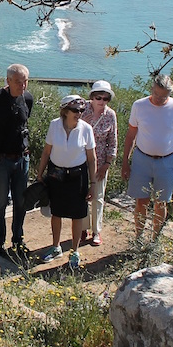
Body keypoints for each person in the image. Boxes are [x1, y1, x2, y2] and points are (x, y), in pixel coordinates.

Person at [121, 73, 173, 241]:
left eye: (163, 96)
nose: (159, 99)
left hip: (167, 161)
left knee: (161, 202)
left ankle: (154, 241)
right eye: (157, 94)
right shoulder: (139, 106)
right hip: (141, 159)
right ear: (152, 89)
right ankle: (138, 237)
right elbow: (131, 135)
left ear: (170, 94)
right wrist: (125, 162)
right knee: (141, 201)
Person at [37, 95, 97, 270]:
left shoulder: (86, 129)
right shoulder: (54, 125)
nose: (79, 114)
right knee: (56, 212)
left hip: (77, 176)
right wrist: (40, 174)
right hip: (56, 174)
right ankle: (56, 247)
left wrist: (93, 184)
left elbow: (92, 159)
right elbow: (47, 152)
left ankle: (74, 251)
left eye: (81, 110)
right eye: (75, 110)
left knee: (77, 214)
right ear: (65, 111)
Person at [0, 63, 34, 260]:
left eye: (25, 82)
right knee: (0, 202)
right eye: (18, 82)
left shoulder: (27, 99)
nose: (23, 86)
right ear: (8, 81)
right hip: (1, 160)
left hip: (22, 159)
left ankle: (18, 240)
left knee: (21, 202)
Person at [80, 80, 117, 247]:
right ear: (92, 97)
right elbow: (70, 131)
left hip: (101, 161)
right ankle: (82, 226)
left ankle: (96, 231)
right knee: (80, 195)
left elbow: (113, 141)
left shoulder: (110, 115)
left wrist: (107, 164)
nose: (101, 102)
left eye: (105, 98)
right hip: (80, 161)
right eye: (98, 97)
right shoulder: (81, 109)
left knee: (98, 196)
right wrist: (84, 124)